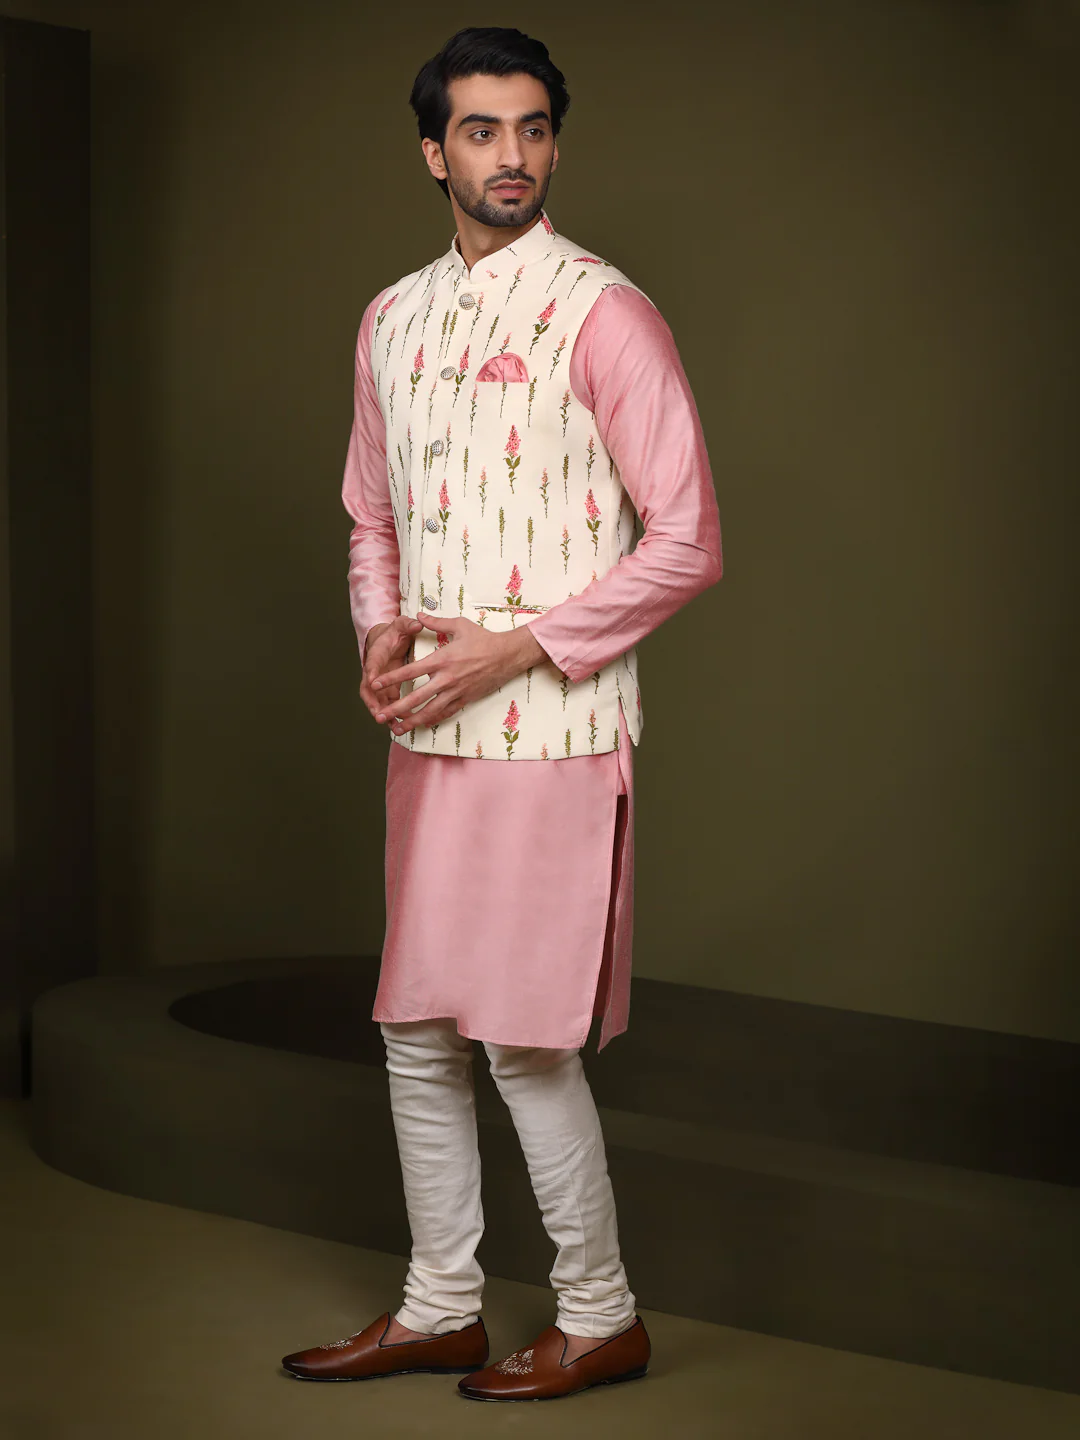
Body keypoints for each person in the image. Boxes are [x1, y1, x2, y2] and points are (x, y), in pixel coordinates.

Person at [281, 26, 722, 1402]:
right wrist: (381, 636)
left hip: (556, 741)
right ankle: (439, 1308)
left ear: (554, 146)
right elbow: (371, 518)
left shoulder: (606, 313)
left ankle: (598, 1315)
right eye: (481, 130)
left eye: (532, 128)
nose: (511, 155)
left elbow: (689, 541)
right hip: (430, 736)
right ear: (435, 152)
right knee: (417, 1030)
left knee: (524, 1043)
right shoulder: (391, 319)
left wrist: (517, 649)